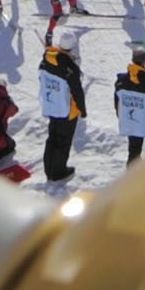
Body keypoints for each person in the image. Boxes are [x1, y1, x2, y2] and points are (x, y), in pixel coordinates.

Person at [37, 42, 90, 184]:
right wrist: (82, 111)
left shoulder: (45, 61)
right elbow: (77, 91)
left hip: (51, 105)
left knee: (52, 138)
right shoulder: (69, 67)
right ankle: (58, 172)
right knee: (63, 141)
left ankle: (48, 170)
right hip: (67, 109)